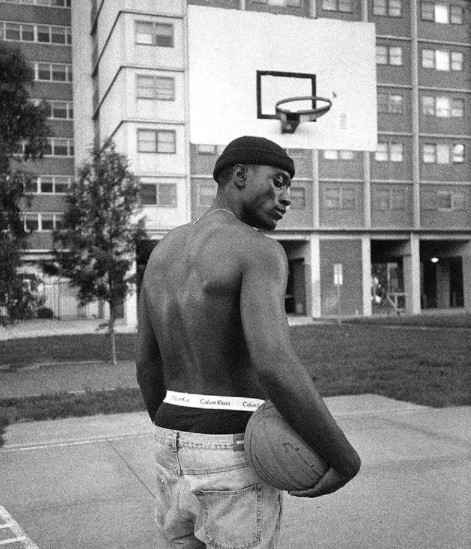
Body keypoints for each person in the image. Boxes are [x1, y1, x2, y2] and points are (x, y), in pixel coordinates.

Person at [136, 135, 361, 548]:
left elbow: (147, 366)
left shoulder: (162, 252)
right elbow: (275, 364)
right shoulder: (259, 251)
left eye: (288, 185)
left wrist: (180, 435)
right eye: (277, 181)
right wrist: (344, 458)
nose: (286, 196)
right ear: (238, 175)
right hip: (231, 450)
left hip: (169, 444)